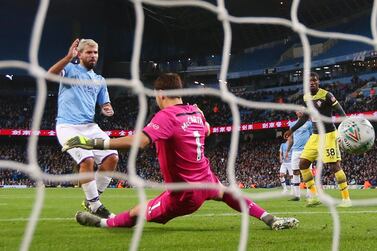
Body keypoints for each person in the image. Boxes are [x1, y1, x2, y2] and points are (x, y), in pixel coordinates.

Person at [63, 73, 299, 230]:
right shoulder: (195, 113)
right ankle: (270, 218)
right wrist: (203, 117)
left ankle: (103, 223)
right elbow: (206, 130)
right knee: (228, 193)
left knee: (137, 213)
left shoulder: (166, 115)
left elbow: (140, 142)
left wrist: (94, 143)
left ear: (160, 94)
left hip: (183, 194)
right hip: (206, 180)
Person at [48, 38, 119, 218]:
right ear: (79, 54)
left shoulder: (99, 79)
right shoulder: (70, 70)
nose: (93, 55)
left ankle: (91, 200)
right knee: (86, 160)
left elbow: (105, 103)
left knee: (112, 157)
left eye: (95, 52)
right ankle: (96, 206)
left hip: (90, 126)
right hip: (68, 126)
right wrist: (67, 57)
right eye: (89, 52)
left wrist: (107, 109)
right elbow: (50, 74)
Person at [284, 72, 351, 207]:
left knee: (334, 166)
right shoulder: (306, 97)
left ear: (318, 82)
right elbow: (305, 117)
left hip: (328, 134)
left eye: (314, 80)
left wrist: (346, 127)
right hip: (315, 136)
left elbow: (341, 112)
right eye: (309, 81)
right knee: (302, 164)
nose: (312, 82)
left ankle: (346, 199)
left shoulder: (327, 95)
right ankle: (314, 196)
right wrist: (292, 129)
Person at [286, 111, 313, 201]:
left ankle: (310, 194)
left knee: (308, 171)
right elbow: (291, 139)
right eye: (298, 110)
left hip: (306, 150)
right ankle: (297, 196)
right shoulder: (293, 124)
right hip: (295, 151)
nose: (300, 111)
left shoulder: (309, 123)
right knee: (295, 172)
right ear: (296, 112)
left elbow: (313, 136)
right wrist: (287, 151)